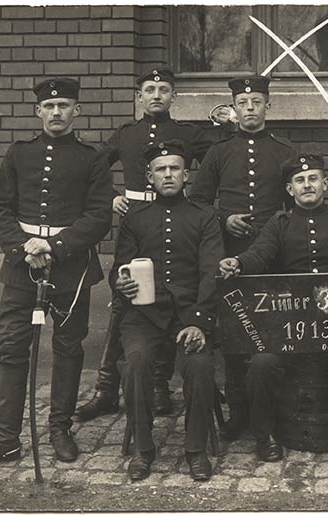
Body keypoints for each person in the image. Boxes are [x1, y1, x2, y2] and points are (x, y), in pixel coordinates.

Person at [0, 78, 112, 470]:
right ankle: (5, 439)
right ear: (37, 111)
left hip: (72, 266)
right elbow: (1, 211)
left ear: (76, 111)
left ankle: (60, 429)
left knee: (67, 347)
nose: (56, 112)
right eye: (49, 106)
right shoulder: (19, 154)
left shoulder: (91, 158)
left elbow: (98, 217)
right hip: (20, 265)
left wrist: (54, 247)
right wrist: (23, 247)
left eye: (64, 105)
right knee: (11, 347)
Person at [219, 154, 328, 465]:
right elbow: (259, 255)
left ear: (325, 184)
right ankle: (264, 435)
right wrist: (238, 263)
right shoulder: (278, 225)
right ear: (290, 190)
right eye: (300, 181)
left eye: (313, 178)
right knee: (262, 364)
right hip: (288, 324)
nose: (308, 185)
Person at [77, 66, 217, 422]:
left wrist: (228, 125)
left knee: (170, 295)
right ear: (138, 96)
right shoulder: (126, 134)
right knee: (128, 304)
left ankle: (158, 387)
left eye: (164, 89)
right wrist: (110, 196)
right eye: (150, 89)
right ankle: (107, 388)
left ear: (174, 97)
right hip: (138, 222)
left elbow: (220, 160)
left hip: (179, 218)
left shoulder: (187, 133)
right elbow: (92, 168)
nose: (157, 95)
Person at [189, 76, 295, 441]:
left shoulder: (284, 151)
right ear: (234, 108)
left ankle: (274, 410)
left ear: (269, 106)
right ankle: (238, 411)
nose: (250, 108)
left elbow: (294, 204)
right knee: (234, 333)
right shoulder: (219, 152)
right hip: (229, 255)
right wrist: (224, 219)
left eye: (257, 101)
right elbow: (199, 200)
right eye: (243, 102)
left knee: (272, 335)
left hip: (272, 257)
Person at [112, 140, 224, 481]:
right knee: (135, 364)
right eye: (161, 169)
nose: (168, 174)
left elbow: (212, 272)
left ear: (186, 174)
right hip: (143, 315)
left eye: (175, 168)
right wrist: (122, 282)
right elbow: (120, 267)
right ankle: (144, 449)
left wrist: (199, 322)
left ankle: (194, 450)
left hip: (189, 315)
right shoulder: (136, 218)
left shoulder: (204, 217)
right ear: (150, 176)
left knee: (200, 365)